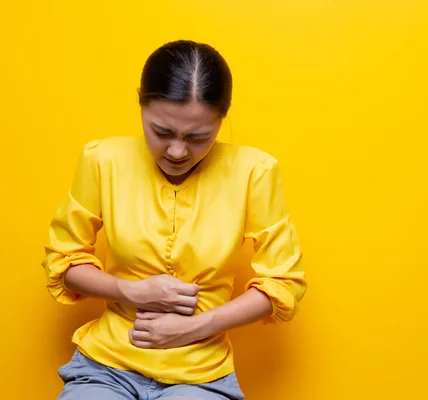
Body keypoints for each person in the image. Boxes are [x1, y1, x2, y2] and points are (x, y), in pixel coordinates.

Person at [42, 40, 307, 400]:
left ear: (221, 119)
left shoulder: (254, 171)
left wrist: (194, 328)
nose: (178, 152)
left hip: (201, 374)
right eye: (162, 132)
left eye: (200, 137)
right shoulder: (102, 160)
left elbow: (283, 283)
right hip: (106, 365)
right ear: (141, 104)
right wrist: (128, 290)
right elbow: (63, 260)